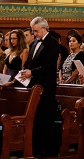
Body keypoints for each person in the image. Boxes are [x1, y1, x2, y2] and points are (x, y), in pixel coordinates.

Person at [18, 16, 60, 158]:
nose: (34, 33)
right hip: (34, 86)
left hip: (46, 87)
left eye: (35, 31)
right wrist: (25, 71)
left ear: (44, 28)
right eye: (33, 31)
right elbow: (30, 62)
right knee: (35, 118)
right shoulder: (35, 43)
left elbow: (50, 65)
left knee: (45, 119)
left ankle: (46, 151)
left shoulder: (52, 43)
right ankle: (35, 150)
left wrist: (32, 72)